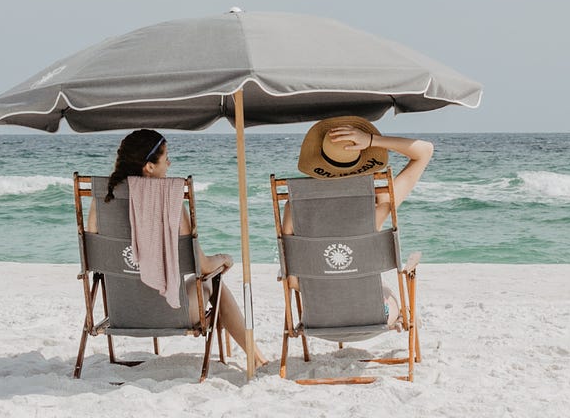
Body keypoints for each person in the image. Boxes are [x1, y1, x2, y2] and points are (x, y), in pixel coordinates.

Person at [87, 129, 269, 369]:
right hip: (172, 313)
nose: (170, 163)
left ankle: (257, 357)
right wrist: (224, 259)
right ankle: (257, 358)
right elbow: (201, 266)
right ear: (149, 167)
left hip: (121, 312)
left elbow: (94, 257)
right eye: (166, 158)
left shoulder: (102, 201)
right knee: (214, 284)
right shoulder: (170, 201)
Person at [285, 115, 434, 325]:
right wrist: (373, 140)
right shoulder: (379, 205)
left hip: (319, 319)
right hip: (375, 317)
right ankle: (403, 315)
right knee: (388, 293)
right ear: (362, 159)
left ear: (319, 157)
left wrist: (331, 276)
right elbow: (425, 151)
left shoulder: (294, 207)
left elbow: (292, 281)